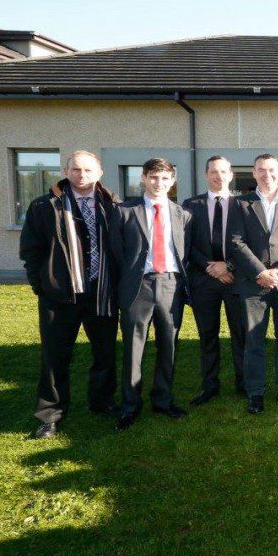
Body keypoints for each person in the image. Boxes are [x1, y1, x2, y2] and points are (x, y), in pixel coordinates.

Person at [20, 150, 120, 439]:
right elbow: (31, 250)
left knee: (105, 352)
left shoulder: (112, 204)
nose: (82, 175)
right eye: (76, 170)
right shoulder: (45, 205)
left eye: (88, 170)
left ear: (99, 172)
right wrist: (42, 285)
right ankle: (50, 415)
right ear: (66, 171)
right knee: (55, 356)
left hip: (101, 292)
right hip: (60, 296)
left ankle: (101, 402)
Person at [110, 157, 192, 430]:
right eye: (154, 177)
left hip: (171, 285)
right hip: (137, 287)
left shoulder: (182, 214)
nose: (159, 183)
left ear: (172, 181)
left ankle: (163, 400)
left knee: (168, 345)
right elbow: (116, 254)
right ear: (143, 178)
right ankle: (130, 405)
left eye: (165, 178)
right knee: (134, 348)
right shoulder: (124, 212)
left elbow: (185, 252)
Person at [228, 153, 278, 413]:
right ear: (253, 173)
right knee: (254, 341)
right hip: (254, 284)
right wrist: (261, 273)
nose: (267, 175)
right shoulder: (240, 204)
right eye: (261, 170)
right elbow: (236, 242)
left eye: (271, 170)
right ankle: (255, 393)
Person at [182, 156, 246, 404]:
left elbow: (247, 244)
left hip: (235, 279)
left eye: (223, 172)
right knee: (207, 336)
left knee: (240, 334)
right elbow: (186, 243)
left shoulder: (243, 205)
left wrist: (228, 266)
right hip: (204, 280)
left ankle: (243, 382)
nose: (218, 176)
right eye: (213, 172)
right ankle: (210, 386)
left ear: (231, 175)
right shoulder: (191, 205)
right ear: (206, 175)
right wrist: (210, 267)